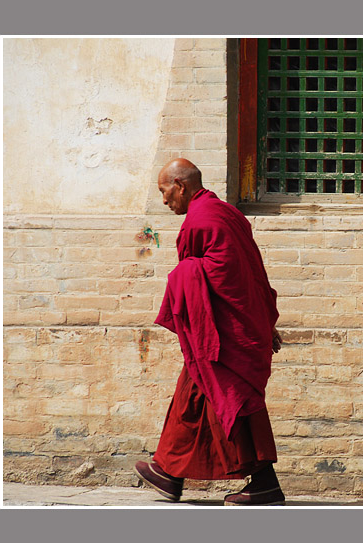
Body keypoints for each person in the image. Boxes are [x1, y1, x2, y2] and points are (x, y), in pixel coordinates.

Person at [134, 158, 285, 506]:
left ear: (181, 186)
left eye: (164, 191)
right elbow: (252, 273)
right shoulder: (227, 213)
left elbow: (220, 275)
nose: (164, 200)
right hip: (232, 327)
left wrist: (182, 275)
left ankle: (264, 481)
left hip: (221, 335)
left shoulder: (199, 222)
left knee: (232, 398)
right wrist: (264, 318)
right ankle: (169, 473)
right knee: (194, 398)